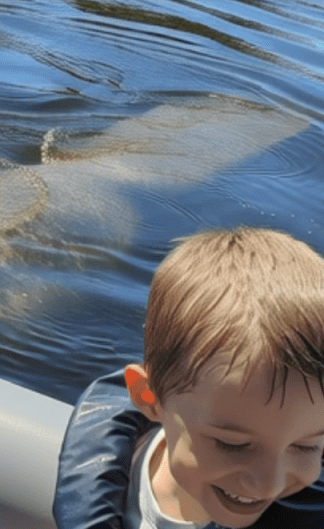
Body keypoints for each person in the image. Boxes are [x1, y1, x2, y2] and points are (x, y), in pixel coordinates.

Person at [54, 227, 324, 529]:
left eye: (307, 447)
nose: (269, 484)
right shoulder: (106, 466)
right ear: (148, 396)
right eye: (232, 444)